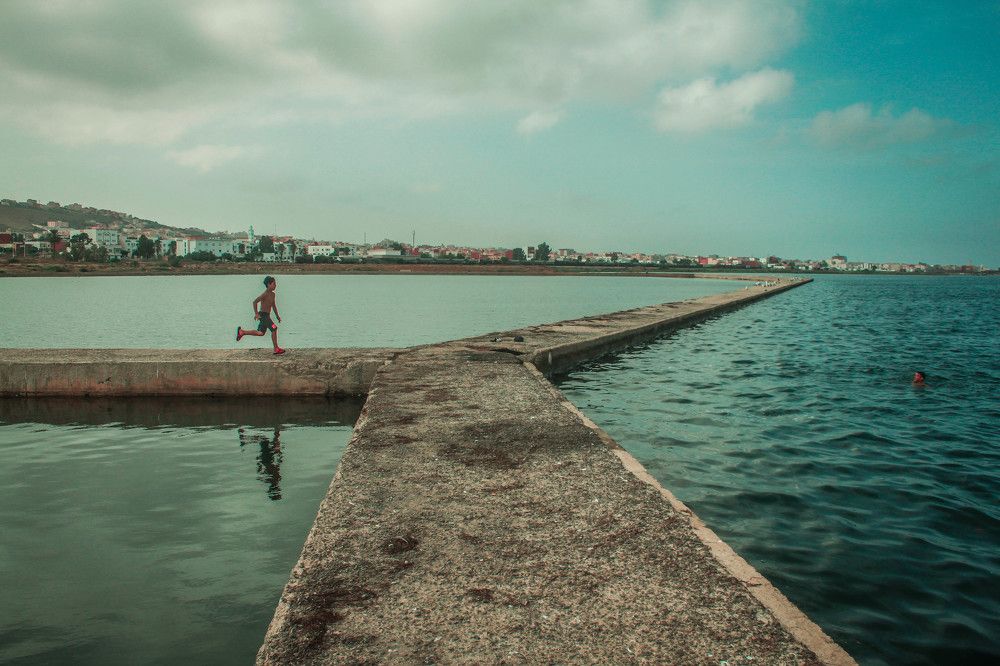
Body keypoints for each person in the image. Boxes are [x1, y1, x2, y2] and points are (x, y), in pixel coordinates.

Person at [236, 276, 285, 354]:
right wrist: (256, 313)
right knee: (274, 328)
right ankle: (276, 348)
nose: (275, 285)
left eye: (275, 284)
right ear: (268, 284)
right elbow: (255, 302)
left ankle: (242, 332)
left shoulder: (273, 294)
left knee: (261, 333)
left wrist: (277, 316)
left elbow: (273, 305)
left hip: (267, 315)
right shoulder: (265, 294)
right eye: (274, 284)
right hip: (263, 315)